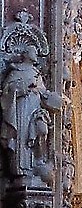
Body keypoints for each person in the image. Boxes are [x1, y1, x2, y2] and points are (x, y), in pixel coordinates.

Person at [0, 43, 62, 184]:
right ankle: (21, 170)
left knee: (40, 130)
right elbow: (7, 90)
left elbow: (42, 91)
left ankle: (36, 163)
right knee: (21, 138)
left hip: (35, 109)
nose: (36, 55)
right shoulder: (16, 71)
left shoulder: (36, 73)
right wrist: (23, 88)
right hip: (21, 109)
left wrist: (51, 98)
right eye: (33, 52)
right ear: (26, 55)